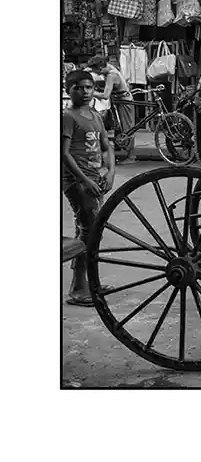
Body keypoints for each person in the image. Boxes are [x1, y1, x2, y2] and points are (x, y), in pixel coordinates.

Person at [62, 70, 116, 307]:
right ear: (68, 90)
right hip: (77, 181)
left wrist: (110, 171)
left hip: (95, 178)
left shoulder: (95, 115)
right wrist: (84, 180)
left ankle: (88, 284)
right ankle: (79, 288)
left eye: (88, 87)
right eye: (78, 88)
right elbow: (64, 154)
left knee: (89, 230)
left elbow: (106, 146)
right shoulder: (67, 117)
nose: (84, 92)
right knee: (89, 231)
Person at [88, 55, 135, 162]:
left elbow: (105, 95)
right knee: (119, 128)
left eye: (96, 71)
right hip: (118, 101)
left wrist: (90, 93)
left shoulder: (111, 75)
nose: (96, 74)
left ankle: (131, 156)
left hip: (124, 102)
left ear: (100, 68)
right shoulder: (109, 68)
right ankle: (120, 150)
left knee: (127, 128)